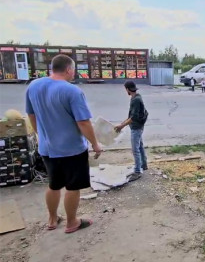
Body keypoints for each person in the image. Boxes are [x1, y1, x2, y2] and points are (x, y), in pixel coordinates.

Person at [25, 54, 101, 234]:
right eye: (73, 70)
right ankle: (72, 222)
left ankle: (52, 219)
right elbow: (83, 122)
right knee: (72, 187)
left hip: (47, 149)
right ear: (68, 69)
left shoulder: (34, 86)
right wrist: (95, 144)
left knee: (53, 185)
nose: (73, 73)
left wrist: (41, 135)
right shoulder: (72, 91)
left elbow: (31, 115)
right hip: (71, 150)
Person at [115, 81, 148, 181]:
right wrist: (123, 123)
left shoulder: (135, 100)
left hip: (136, 128)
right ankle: (143, 165)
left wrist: (121, 126)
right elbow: (131, 116)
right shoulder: (136, 97)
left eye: (126, 89)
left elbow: (133, 117)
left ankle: (137, 171)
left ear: (128, 89)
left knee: (135, 150)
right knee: (140, 146)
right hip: (138, 126)